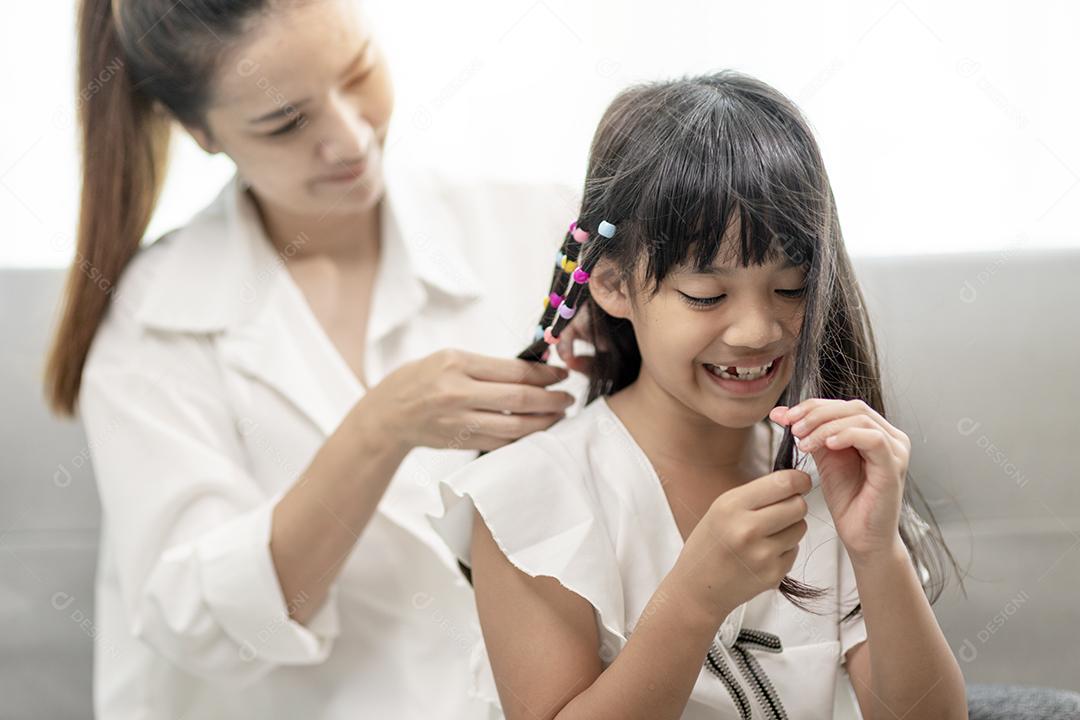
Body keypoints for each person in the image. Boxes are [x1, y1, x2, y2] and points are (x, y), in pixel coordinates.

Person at [43, 0, 583, 717]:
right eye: (287, 122)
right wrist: (380, 429)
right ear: (201, 133)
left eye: (359, 72)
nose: (352, 138)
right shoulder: (154, 320)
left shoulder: (542, 229)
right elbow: (200, 627)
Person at [429, 71, 969, 719]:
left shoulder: (826, 472)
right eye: (706, 296)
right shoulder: (532, 498)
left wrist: (878, 554)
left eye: (791, 287)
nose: (757, 330)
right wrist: (693, 600)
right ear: (611, 284)